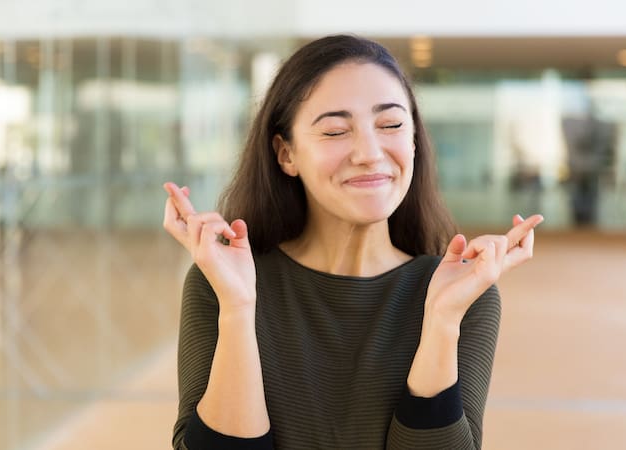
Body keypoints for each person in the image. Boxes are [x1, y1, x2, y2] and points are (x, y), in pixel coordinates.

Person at [162, 35, 543, 449]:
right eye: (336, 130)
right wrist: (238, 309)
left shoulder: (462, 293)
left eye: (392, 125)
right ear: (286, 153)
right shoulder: (221, 285)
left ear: (414, 141)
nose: (369, 152)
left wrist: (442, 321)